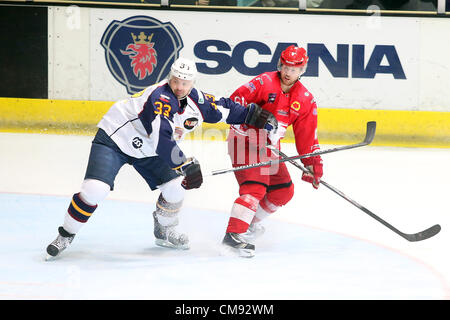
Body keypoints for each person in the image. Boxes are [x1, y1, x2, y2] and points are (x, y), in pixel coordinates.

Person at [46, 57, 277, 259]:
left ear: (193, 83)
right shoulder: (160, 98)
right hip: (116, 139)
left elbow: (221, 109)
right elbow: (162, 139)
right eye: (175, 80)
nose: (179, 86)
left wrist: (253, 115)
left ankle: (165, 229)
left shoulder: (196, 99)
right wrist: (184, 163)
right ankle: (65, 235)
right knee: (95, 190)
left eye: (185, 83)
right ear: (170, 78)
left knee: (176, 188)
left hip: (149, 151)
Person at [221, 45, 323, 258]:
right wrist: (250, 116)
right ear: (280, 65)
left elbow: (307, 136)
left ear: (302, 70)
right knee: (255, 187)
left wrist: (312, 164)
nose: (288, 73)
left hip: (269, 148)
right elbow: (233, 103)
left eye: (294, 69)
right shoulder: (263, 82)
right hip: (244, 141)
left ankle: (248, 224)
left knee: (283, 190)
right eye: (285, 67)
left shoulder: (305, 99)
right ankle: (233, 236)